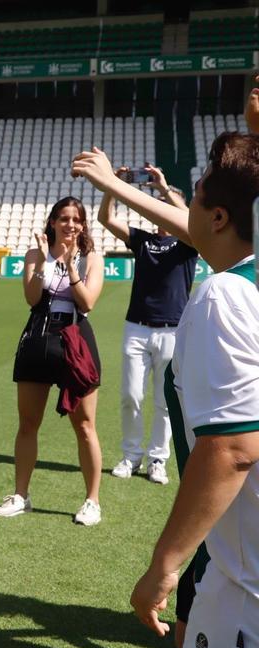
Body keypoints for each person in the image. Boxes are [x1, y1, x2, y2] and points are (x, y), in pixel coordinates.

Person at [110, 132, 259, 648]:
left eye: (194, 195)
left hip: (245, 602)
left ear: (217, 218)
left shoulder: (226, 294)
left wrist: (164, 566)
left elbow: (233, 449)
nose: (185, 205)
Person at [0, 198, 106, 526]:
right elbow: (31, 297)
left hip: (76, 339)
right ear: (53, 222)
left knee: (84, 425)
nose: (70, 224)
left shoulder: (92, 259)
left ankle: (92, 500)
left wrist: (71, 266)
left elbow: (87, 302)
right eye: (64, 218)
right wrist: (44, 261)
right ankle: (21, 495)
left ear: (83, 225)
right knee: (28, 423)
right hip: (39, 337)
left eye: (76, 219)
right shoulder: (34, 254)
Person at [97, 163, 196, 487]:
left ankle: (158, 459)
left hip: (171, 330)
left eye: (168, 207)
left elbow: (194, 222)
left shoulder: (189, 243)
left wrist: (165, 188)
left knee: (165, 401)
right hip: (137, 328)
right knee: (131, 395)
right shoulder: (144, 240)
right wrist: (113, 185)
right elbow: (106, 220)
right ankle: (131, 456)